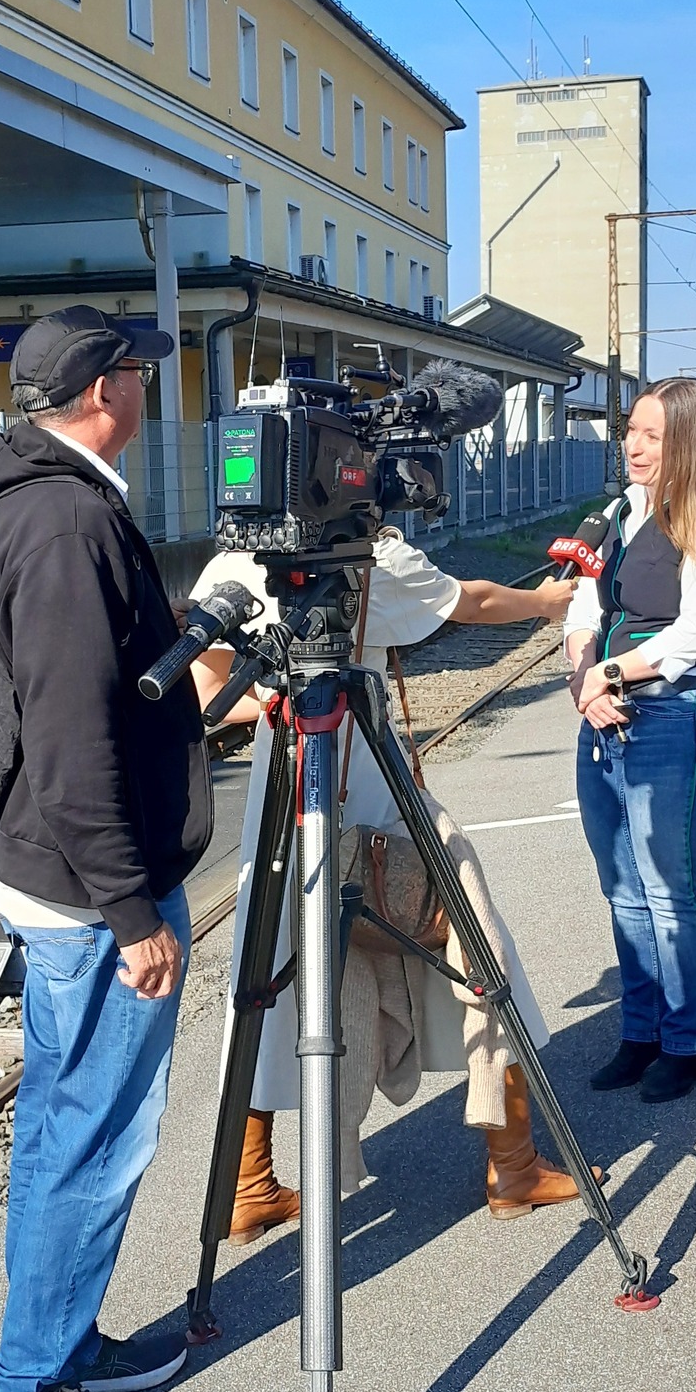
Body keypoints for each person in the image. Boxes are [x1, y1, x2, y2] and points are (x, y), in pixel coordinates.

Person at [0, 307, 213, 1392]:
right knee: (94, 1138)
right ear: (105, 391)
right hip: (82, 885)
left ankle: (56, 1343)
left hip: (42, 865)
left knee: (60, 1128)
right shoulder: (65, 520)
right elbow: (68, 737)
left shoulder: (11, 492)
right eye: (138, 372)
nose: (149, 389)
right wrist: (130, 912)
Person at [189, 526, 592, 1233]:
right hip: (372, 798)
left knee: (265, 984)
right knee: (478, 945)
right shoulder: (368, 559)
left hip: (277, 802)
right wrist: (547, 602)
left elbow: (206, 690)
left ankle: (249, 1183)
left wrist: (282, 704)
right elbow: (470, 601)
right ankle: (514, 1162)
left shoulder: (233, 562)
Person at [564, 376, 696, 1105]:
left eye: (653, 435)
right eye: (630, 430)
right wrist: (586, 677)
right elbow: (583, 601)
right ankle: (638, 1033)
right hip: (602, 716)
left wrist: (606, 672)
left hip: (674, 717)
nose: (633, 446)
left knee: (668, 893)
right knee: (622, 891)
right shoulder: (620, 510)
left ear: (690, 442)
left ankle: (685, 1043)